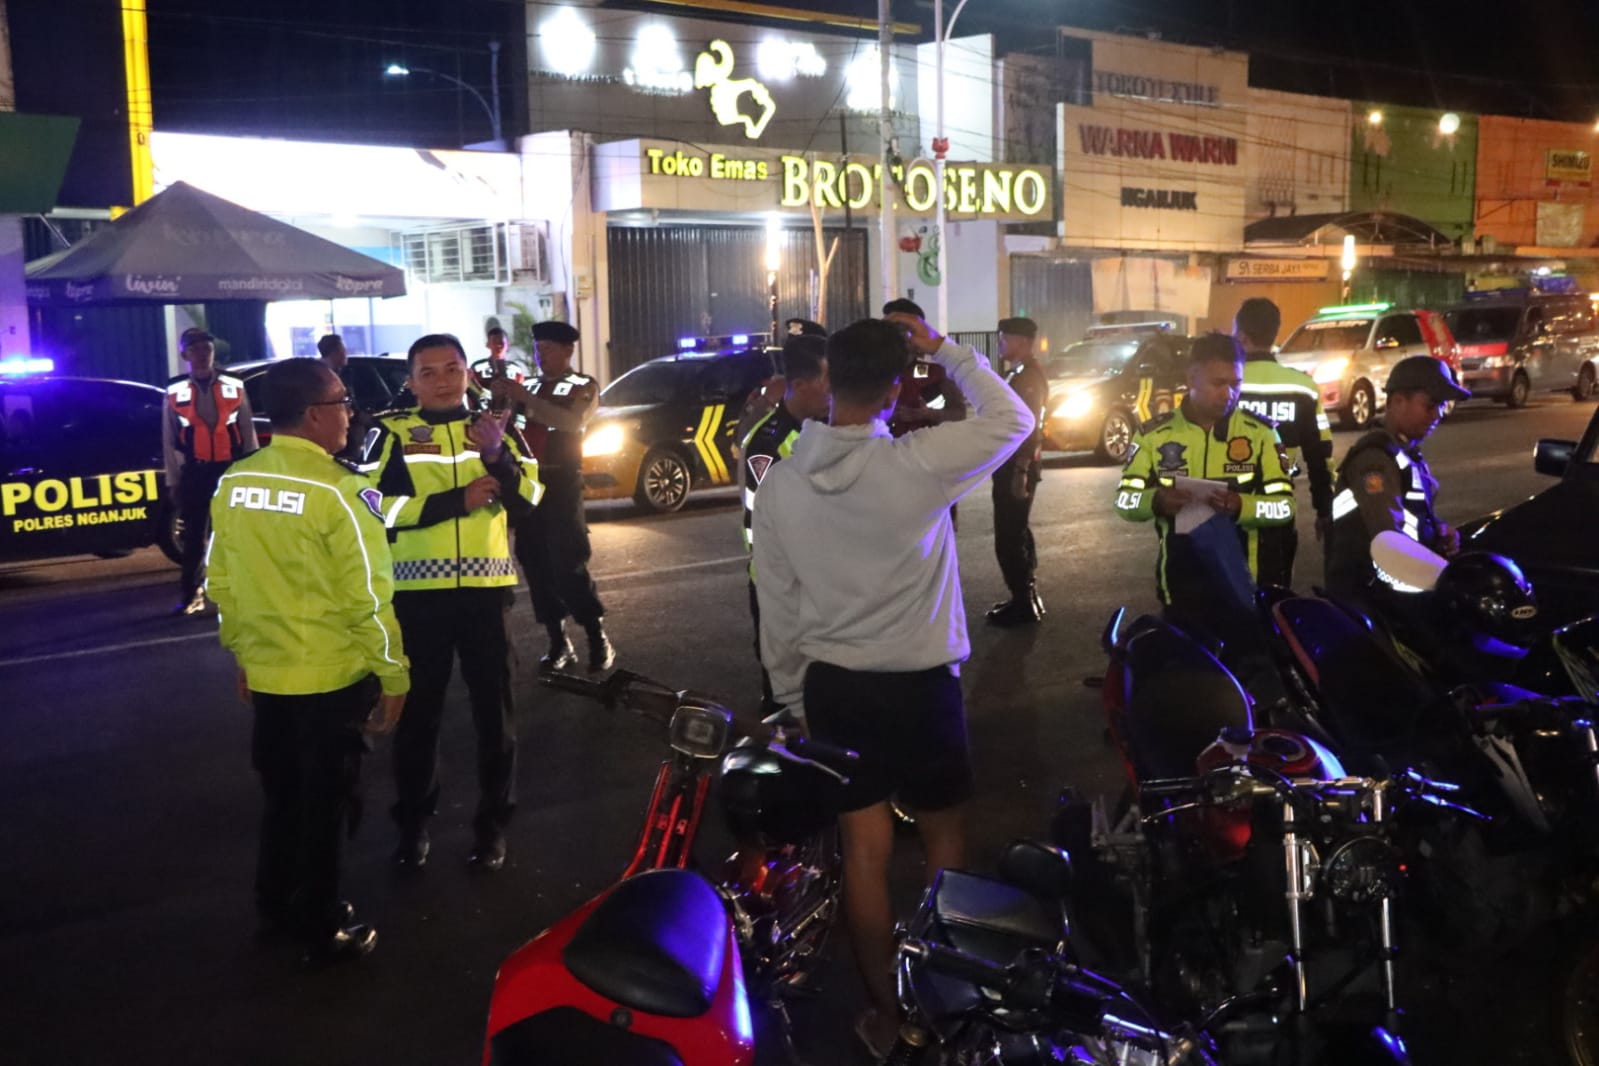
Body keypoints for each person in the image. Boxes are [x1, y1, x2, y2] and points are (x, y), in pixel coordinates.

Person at [752, 313, 1032, 1057]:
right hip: (921, 685)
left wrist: (792, 700)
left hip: (836, 689)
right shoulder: (919, 464)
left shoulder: (781, 485)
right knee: (944, 839)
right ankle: (941, 1004)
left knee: (865, 853)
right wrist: (946, 350)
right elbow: (1014, 417)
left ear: (826, 383)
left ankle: (888, 1016)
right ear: (894, 387)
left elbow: (777, 607)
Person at [204, 358, 409, 964]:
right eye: (343, 401)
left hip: (270, 675)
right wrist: (394, 673)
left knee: (283, 796)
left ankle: (275, 907)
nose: (350, 413)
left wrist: (244, 656)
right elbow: (368, 598)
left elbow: (222, 583)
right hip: (329, 677)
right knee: (325, 803)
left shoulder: (234, 482)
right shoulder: (342, 491)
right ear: (316, 414)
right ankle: (320, 926)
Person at [360, 333, 542, 872]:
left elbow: (531, 498)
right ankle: (413, 827)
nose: (442, 380)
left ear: (468, 373)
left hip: (486, 596)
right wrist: (452, 501)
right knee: (418, 720)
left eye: (452, 369)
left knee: (496, 720)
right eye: (429, 372)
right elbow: (369, 505)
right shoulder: (389, 432)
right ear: (411, 381)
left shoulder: (497, 428)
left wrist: (497, 456)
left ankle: (493, 829)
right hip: (418, 598)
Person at [1113, 333, 1295, 658]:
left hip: (1241, 588)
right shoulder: (1154, 435)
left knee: (1246, 675)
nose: (1229, 393)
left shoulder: (1262, 433)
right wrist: (1156, 501)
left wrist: (1243, 506)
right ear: (1190, 378)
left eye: (1236, 383)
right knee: (1186, 676)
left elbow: (1285, 507)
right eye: (1218, 383)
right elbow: (1124, 500)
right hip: (1180, 588)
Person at [495, 320, 614, 673]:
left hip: (561, 483)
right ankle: (558, 641)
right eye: (537, 348)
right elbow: (507, 422)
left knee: (568, 562)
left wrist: (526, 399)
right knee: (535, 562)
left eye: (547, 349)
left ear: (568, 350)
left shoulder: (583, 386)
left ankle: (596, 635)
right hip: (528, 483)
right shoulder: (528, 385)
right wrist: (501, 397)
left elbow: (571, 422)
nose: (540, 355)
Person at [1325, 355, 1470, 596]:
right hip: (1370, 597)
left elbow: (1410, 516)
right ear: (1399, 401)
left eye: (1442, 406)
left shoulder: (1403, 453)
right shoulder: (1375, 460)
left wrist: (1438, 531)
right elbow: (1388, 541)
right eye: (1431, 405)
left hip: (1396, 590)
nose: (1438, 415)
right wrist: (1448, 579)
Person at [740, 331, 829, 713]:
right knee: (783, 676)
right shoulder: (768, 441)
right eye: (826, 381)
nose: (833, 391)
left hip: (819, 573)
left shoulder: (827, 427)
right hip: (779, 576)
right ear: (800, 385)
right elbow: (762, 519)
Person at [1233, 298, 1334, 588]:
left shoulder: (1226, 384)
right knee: (1275, 590)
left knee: (1231, 592)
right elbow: (1320, 456)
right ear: (1275, 333)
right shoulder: (1303, 388)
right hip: (1277, 508)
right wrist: (1324, 510)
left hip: (1229, 507)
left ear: (1242, 335)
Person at [164, 327, 258, 614]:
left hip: (229, 470)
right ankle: (192, 595)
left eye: (207, 348)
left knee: (232, 534)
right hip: (196, 471)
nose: (203, 354)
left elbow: (247, 430)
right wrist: (174, 480)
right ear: (185, 355)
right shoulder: (175, 390)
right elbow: (169, 439)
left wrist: (250, 471)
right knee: (194, 537)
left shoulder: (234, 385)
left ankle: (239, 593)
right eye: (195, 350)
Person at [987, 317, 1049, 627]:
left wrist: (1021, 470)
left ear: (1022, 342)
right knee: (1017, 530)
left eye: (1004, 338)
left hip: (1017, 465)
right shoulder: (1019, 373)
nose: (1000, 343)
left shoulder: (1028, 378)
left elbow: (1030, 427)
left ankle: (1024, 603)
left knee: (1009, 535)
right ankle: (1025, 596)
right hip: (1012, 463)